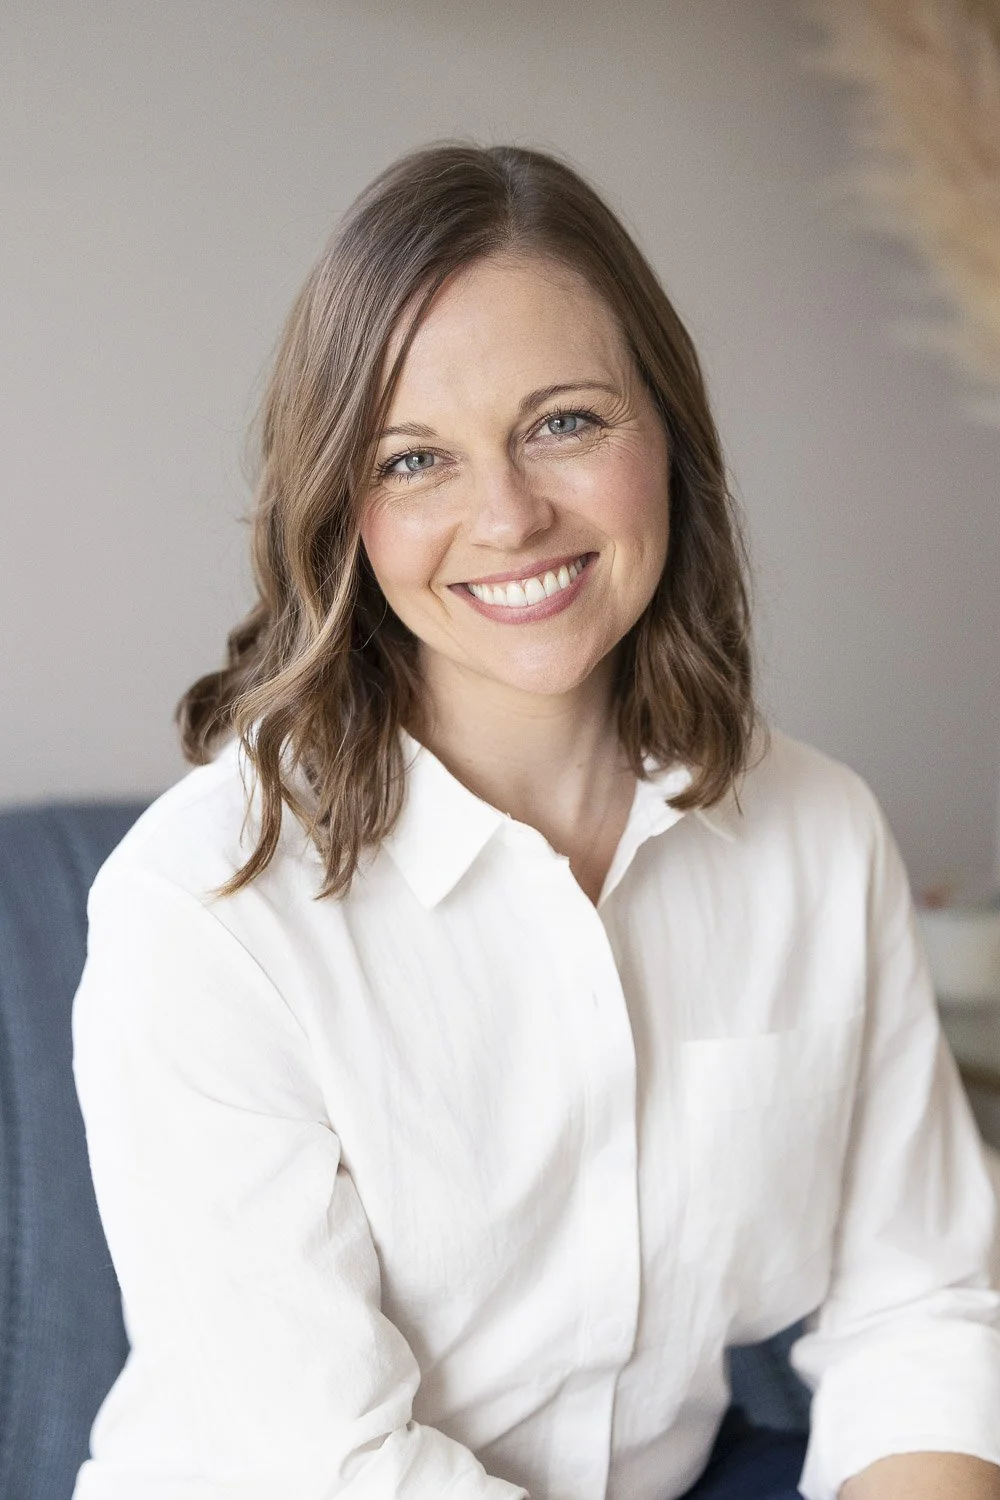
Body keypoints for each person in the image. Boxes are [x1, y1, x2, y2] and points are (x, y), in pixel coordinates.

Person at [70, 143, 1000, 1500]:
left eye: (564, 421)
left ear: (666, 434)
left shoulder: (816, 832)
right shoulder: (202, 904)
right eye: (413, 459)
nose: (505, 514)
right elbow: (331, 1469)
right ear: (341, 510)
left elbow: (924, 1302)